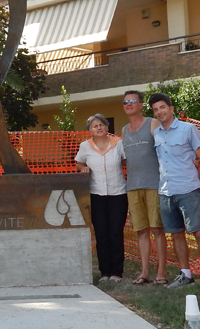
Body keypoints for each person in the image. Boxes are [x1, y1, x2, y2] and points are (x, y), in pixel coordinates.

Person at [148, 93, 200, 290]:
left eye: (162, 107)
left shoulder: (189, 129)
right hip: (166, 191)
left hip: (188, 189)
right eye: (155, 109)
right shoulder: (157, 133)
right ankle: (185, 274)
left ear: (171, 108)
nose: (159, 112)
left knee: (199, 232)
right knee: (176, 234)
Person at [121, 91, 168, 285]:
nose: (129, 104)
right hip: (132, 186)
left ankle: (162, 273)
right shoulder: (123, 130)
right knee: (141, 231)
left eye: (133, 101)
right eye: (125, 102)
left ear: (141, 105)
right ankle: (145, 272)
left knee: (157, 229)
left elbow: (166, 150)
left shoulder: (152, 123)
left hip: (154, 184)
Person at [75, 114, 127, 282]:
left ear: (107, 127)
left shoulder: (118, 143)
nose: (98, 128)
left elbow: (126, 161)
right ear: (90, 130)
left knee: (116, 232)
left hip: (118, 193)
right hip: (96, 194)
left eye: (101, 125)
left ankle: (117, 272)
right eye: (94, 126)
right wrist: (83, 168)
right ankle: (104, 272)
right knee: (101, 233)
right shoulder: (85, 146)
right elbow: (79, 163)